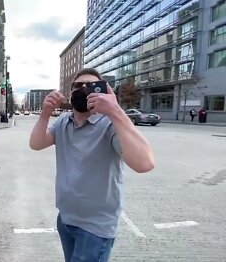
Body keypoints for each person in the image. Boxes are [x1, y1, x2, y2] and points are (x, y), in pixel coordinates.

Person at [29, 68, 155, 262]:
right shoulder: (64, 121)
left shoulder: (110, 124)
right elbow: (36, 144)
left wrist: (116, 111)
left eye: (90, 86)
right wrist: (45, 113)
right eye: (77, 86)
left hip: (95, 228)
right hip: (66, 219)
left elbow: (144, 163)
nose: (83, 90)